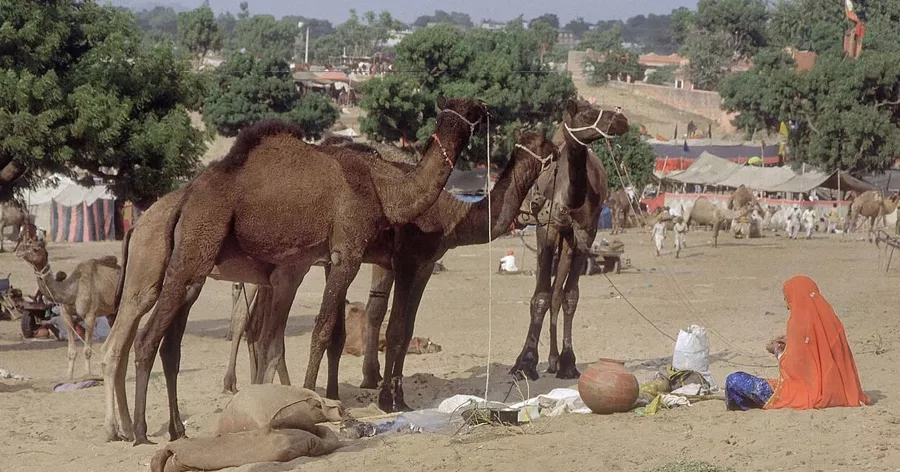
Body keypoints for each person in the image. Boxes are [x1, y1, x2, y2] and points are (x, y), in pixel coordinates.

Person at [725, 275, 870, 411]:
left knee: (734, 380)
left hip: (805, 393)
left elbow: (795, 367)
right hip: (838, 392)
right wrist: (792, 344)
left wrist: (777, 350)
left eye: (787, 299)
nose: (788, 306)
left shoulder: (797, 323)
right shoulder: (833, 321)